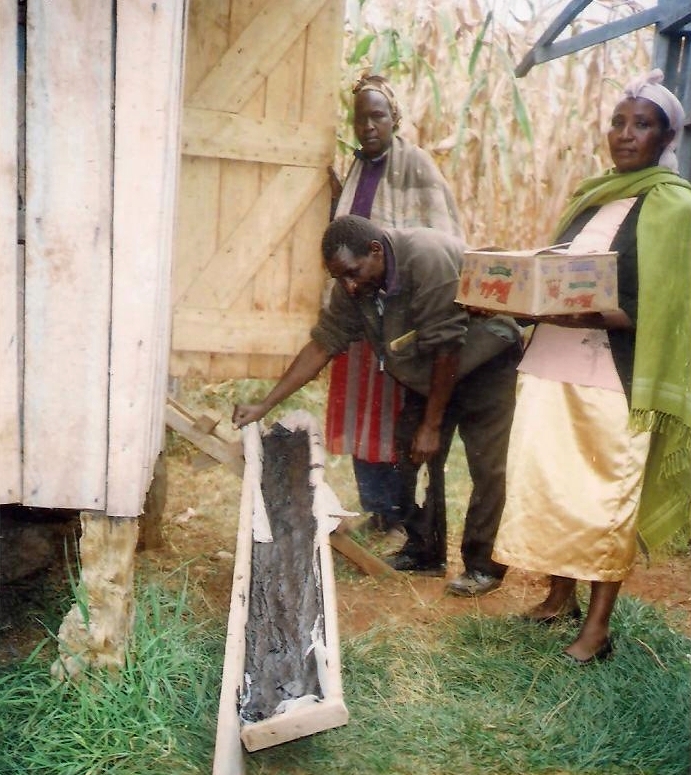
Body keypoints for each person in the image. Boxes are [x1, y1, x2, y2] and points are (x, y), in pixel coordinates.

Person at [492, 69, 691, 663]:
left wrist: (590, 317)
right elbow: (561, 277)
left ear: (666, 136)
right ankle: (559, 598)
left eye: (642, 124)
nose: (625, 134)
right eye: (618, 122)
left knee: (606, 495)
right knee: (554, 485)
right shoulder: (593, 196)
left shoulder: (675, 208)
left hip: (614, 376)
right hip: (553, 364)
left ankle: (597, 629)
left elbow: (663, 307)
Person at [233, 215, 522, 588]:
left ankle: (483, 565)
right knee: (410, 451)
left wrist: (432, 425)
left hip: (484, 359)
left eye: (353, 273)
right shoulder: (354, 284)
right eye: (340, 278)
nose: (349, 286)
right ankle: (425, 552)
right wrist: (265, 404)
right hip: (433, 368)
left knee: (486, 464)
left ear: (375, 250)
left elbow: (446, 346)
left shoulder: (426, 257)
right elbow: (324, 343)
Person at [326, 74, 462, 539]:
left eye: (378, 115)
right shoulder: (357, 167)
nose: (368, 126)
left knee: (394, 409)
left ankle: (400, 510)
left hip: (400, 313)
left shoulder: (417, 166)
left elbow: (442, 239)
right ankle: (378, 507)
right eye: (360, 117)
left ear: (395, 118)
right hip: (362, 309)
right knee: (361, 406)